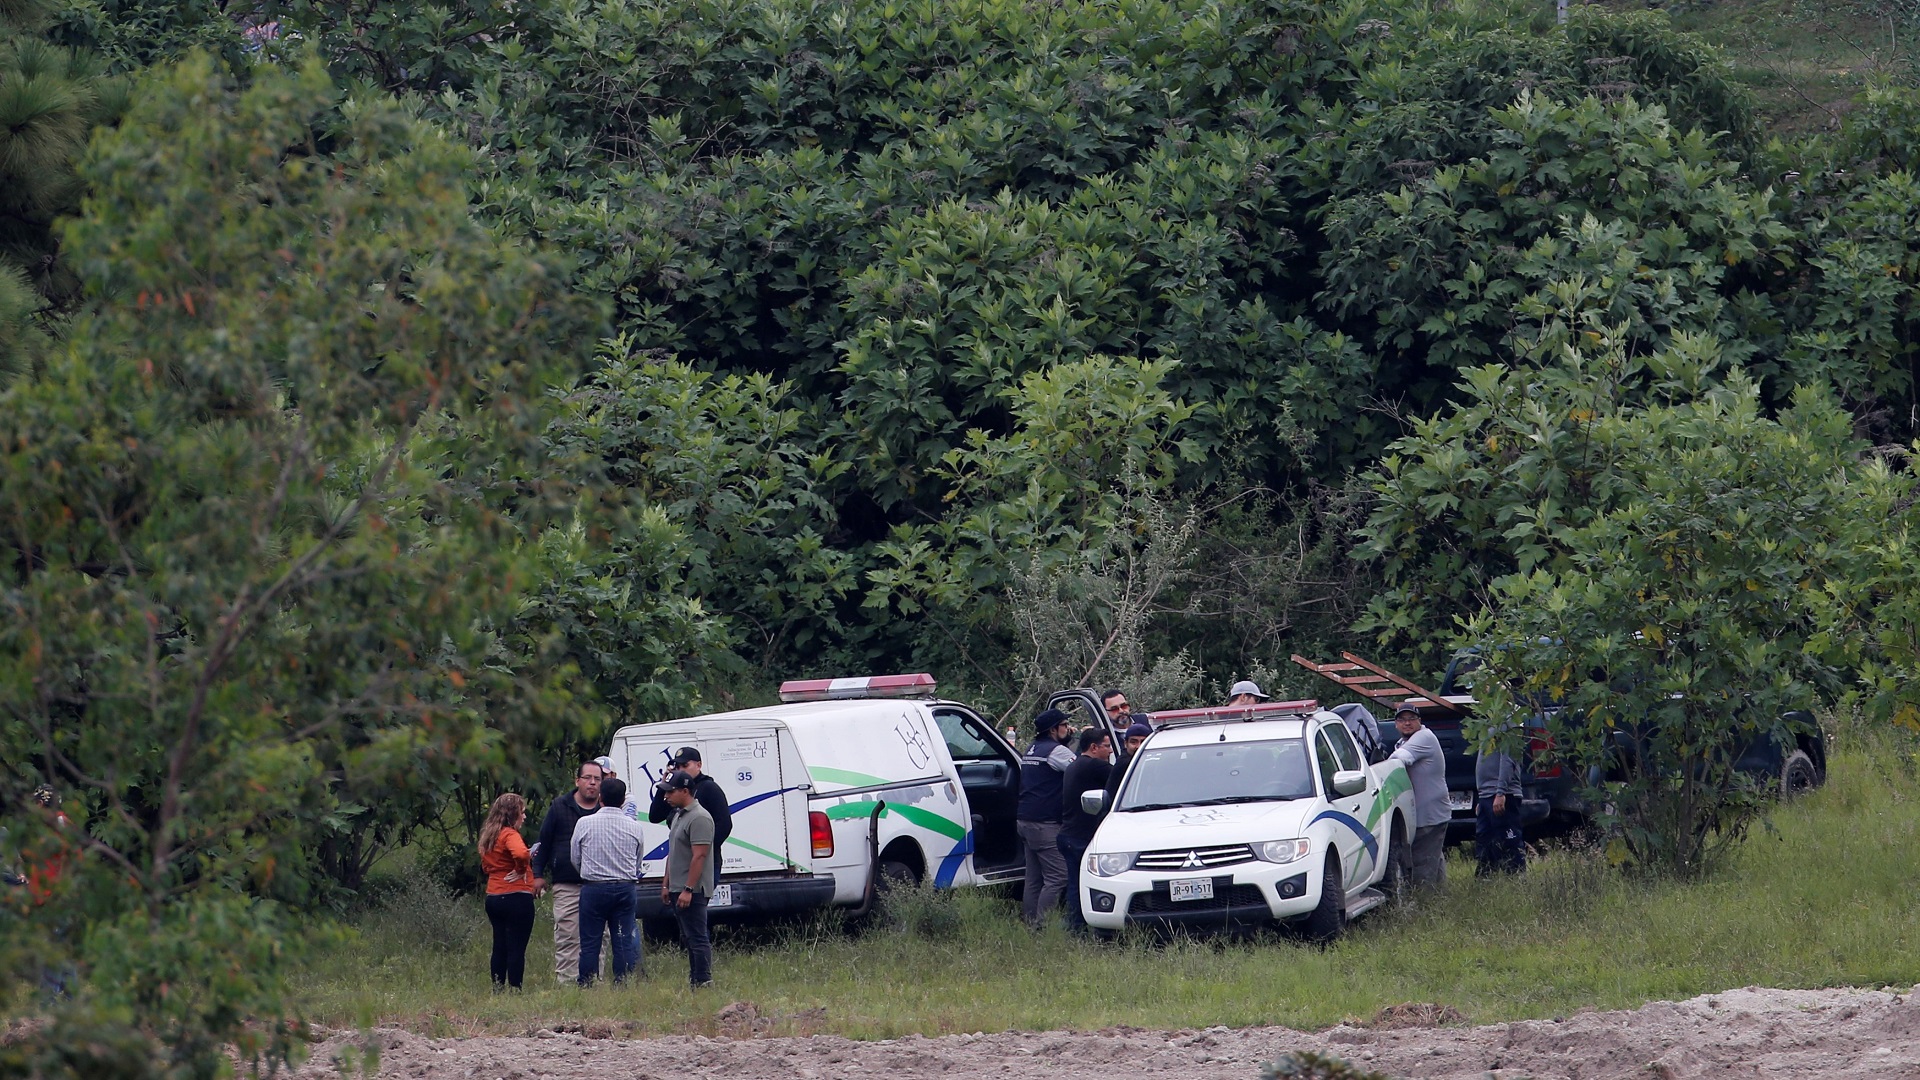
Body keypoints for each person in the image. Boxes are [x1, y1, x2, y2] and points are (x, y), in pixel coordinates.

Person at [532, 759, 602, 984]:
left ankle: (595, 983)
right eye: (588, 778)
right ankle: (568, 983)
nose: (592, 783)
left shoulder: (605, 809)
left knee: (599, 937)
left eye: (597, 779)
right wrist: (537, 874)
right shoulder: (560, 806)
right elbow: (544, 841)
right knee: (568, 935)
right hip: (567, 884)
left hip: (598, 885)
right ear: (577, 780)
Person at [570, 777, 645, 986]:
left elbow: (575, 857)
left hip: (594, 888)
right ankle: (623, 983)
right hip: (624, 888)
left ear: (600, 797)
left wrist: (588, 873)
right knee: (623, 940)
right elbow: (638, 861)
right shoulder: (634, 827)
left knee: (590, 941)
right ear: (623, 801)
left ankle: (586, 983)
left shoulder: (584, 823)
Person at [1016, 708, 1076, 929]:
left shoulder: (1031, 749)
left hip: (1025, 820)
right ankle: (1043, 927)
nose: (1067, 728)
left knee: (1034, 879)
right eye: (1064, 725)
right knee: (1058, 876)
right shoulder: (1056, 751)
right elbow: (1078, 768)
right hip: (1045, 824)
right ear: (1053, 729)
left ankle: (1031, 924)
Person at [660, 772, 716, 987]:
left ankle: (703, 980)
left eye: (670, 791)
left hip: (692, 889)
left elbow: (699, 855)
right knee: (688, 937)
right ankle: (695, 979)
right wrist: (666, 883)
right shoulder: (678, 815)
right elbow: (673, 852)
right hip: (676, 886)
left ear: (685, 791)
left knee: (697, 936)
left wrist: (688, 888)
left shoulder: (699, 817)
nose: (666, 796)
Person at [1057, 727, 1114, 934]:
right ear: (1093, 747)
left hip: (1068, 834)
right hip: (1078, 837)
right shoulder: (1094, 766)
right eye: (1107, 746)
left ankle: (1075, 927)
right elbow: (1123, 777)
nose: (1110, 752)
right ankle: (1079, 928)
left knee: (1075, 883)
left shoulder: (1075, 765)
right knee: (1082, 884)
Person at [478, 792, 536, 989]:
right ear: (513, 814)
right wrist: (521, 869)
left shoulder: (489, 836)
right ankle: (515, 988)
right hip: (516, 895)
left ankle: (497, 987)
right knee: (516, 947)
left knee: (499, 945)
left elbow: (486, 866)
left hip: (493, 895)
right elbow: (520, 853)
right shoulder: (510, 834)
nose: (524, 816)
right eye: (522, 812)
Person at [1390, 706, 1450, 887]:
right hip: (1432, 812)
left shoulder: (1424, 737)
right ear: (1395, 724)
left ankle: (1424, 903)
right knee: (1434, 859)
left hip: (1429, 814)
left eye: (1411, 718)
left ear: (1419, 721)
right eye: (1402, 719)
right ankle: (1440, 901)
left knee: (1422, 864)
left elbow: (1399, 759)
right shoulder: (1404, 741)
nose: (1407, 723)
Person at [647, 746, 732, 854]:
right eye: (677, 766)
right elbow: (655, 816)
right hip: (681, 855)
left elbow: (724, 824)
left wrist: (703, 850)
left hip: (706, 858)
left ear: (699, 765)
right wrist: (664, 785)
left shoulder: (709, 788)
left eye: (685, 765)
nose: (681, 770)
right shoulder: (677, 790)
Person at [1475, 733, 1526, 877]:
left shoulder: (1507, 722)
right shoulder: (1487, 724)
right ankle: (1486, 882)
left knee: (1509, 841)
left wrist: (1501, 792)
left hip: (1503, 794)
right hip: (1486, 794)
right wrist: (1482, 797)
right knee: (1485, 841)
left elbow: (1508, 759)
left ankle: (1517, 879)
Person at [1104, 721, 1151, 805]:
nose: (1138, 746)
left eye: (1143, 742)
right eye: (1133, 742)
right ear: (1126, 743)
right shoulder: (1125, 764)